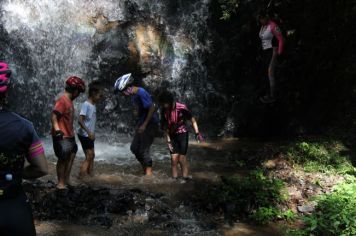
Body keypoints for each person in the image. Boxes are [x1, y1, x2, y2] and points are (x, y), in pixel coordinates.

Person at [0, 61, 48, 236]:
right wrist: (19, 173)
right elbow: (42, 168)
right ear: (6, 93)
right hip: (14, 207)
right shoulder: (24, 127)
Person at [114, 73, 159, 176]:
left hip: (150, 123)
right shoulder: (134, 96)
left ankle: (149, 176)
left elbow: (152, 107)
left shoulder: (141, 92)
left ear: (128, 87)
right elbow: (141, 110)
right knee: (134, 148)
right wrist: (137, 115)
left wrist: (144, 125)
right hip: (143, 123)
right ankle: (146, 169)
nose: (123, 94)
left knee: (144, 150)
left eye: (122, 91)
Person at [158, 90, 204, 180]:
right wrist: (168, 141)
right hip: (172, 135)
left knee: (182, 158)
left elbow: (192, 119)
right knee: (173, 159)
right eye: (162, 104)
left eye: (164, 103)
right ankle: (175, 180)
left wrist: (197, 133)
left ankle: (185, 178)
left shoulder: (181, 107)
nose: (162, 106)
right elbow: (165, 127)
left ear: (169, 101)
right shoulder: (163, 110)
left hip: (182, 134)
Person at [51, 76, 85, 189]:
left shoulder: (69, 101)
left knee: (71, 154)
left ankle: (67, 179)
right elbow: (54, 116)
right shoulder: (62, 100)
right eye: (79, 92)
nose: (78, 95)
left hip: (69, 135)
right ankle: (61, 183)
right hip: (62, 136)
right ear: (75, 91)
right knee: (63, 159)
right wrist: (57, 130)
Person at [77, 81, 103, 178]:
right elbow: (80, 120)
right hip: (84, 134)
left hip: (89, 134)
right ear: (93, 94)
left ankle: (90, 174)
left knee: (92, 155)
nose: (101, 98)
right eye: (100, 96)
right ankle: (81, 176)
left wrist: (92, 133)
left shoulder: (93, 105)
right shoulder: (86, 105)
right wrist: (89, 132)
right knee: (89, 156)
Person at [258, 10, 284, 103]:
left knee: (270, 72)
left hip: (273, 51)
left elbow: (281, 39)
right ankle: (267, 93)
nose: (261, 20)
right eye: (260, 19)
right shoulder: (263, 27)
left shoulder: (273, 26)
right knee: (266, 73)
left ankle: (273, 96)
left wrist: (279, 54)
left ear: (266, 17)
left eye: (262, 18)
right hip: (265, 53)